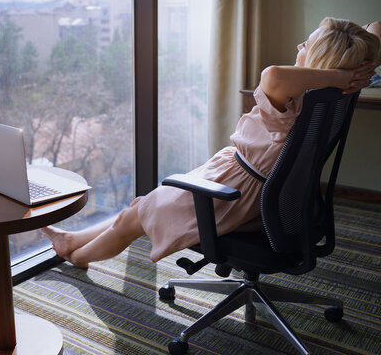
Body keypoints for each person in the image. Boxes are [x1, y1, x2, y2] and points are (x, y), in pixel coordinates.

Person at [43, 17, 381, 269]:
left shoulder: (293, 102)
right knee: (141, 206)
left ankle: (79, 259)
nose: (298, 48)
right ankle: (71, 241)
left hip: (233, 193)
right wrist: (345, 73)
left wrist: (337, 74)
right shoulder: (333, 96)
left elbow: (273, 75)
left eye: (306, 45)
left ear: (322, 62)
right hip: (266, 195)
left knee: (135, 218)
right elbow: (377, 28)